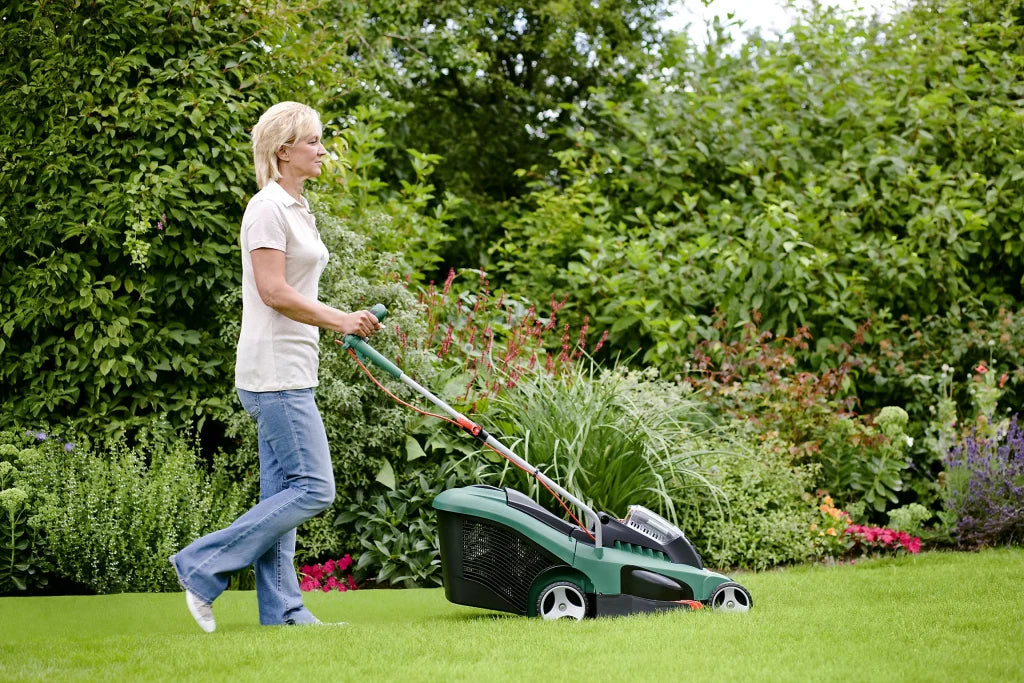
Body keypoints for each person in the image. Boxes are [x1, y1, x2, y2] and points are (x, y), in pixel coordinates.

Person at [170, 102, 382, 631]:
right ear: (284, 151)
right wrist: (340, 320)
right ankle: (201, 566)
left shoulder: (297, 207)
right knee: (314, 488)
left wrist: (335, 324)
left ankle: (283, 612)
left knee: (280, 496)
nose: (322, 150)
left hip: (293, 367)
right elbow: (274, 291)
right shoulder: (266, 208)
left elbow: (295, 289)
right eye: (313, 141)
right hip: (273, 374)